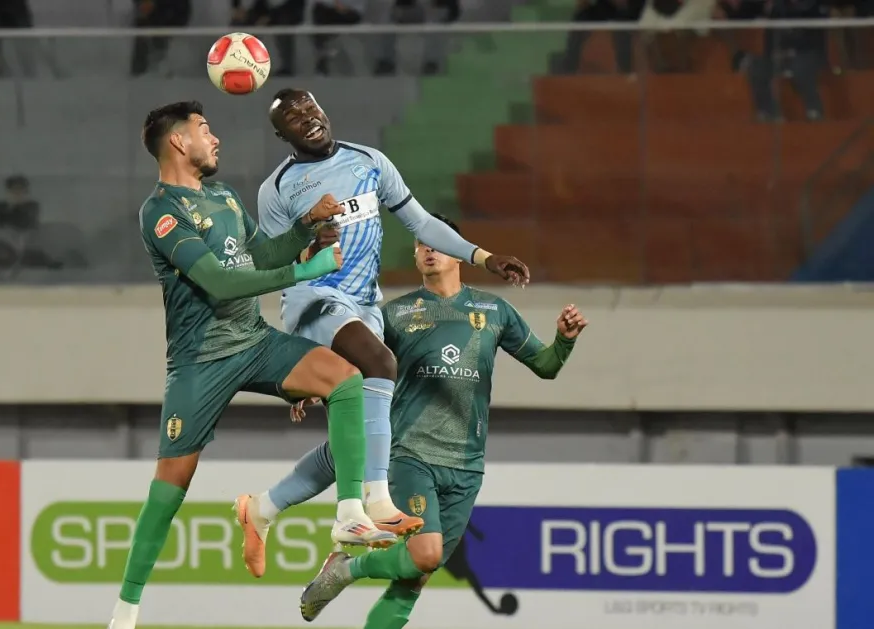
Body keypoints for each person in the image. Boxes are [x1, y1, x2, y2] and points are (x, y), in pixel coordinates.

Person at [107, 100, 396, 629]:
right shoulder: (161, 212)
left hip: (254, 340)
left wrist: (306, 229)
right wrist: (304, 270)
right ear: (178, 142)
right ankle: (125, 612)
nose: (215, 138)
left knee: (346, 379)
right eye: (204, 129)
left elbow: (261, 256)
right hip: (201, 361)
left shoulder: (224, 197)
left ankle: (350, 514)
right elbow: (220, 281)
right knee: (170, 488)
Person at [233, 88, 533, 579]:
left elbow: (420, 222)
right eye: (293, 118)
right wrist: (306, 243)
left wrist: (484, 256)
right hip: (314, 299)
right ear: (281, 135)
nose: (307, 119)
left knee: (356, 429)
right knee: (381, 364)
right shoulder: (279, 188)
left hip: (364, 303)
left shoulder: (369, 161)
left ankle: (262, 509)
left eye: (310, 108)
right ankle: (368, 504)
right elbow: (270, 262)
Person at [298, 214, 588, 625]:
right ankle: (347, 570)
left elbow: (545, 365)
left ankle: (344, 570)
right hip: (411, 455)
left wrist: (564, 340)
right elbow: (353, 363)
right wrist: (311, 383)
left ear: (459, 252)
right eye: (420, 244)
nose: (428, 249)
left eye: (437, 242)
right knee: (426, 554)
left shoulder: (494, 311)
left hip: (467, 465)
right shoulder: (394, 314)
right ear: (415, 256)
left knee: (415, 577)